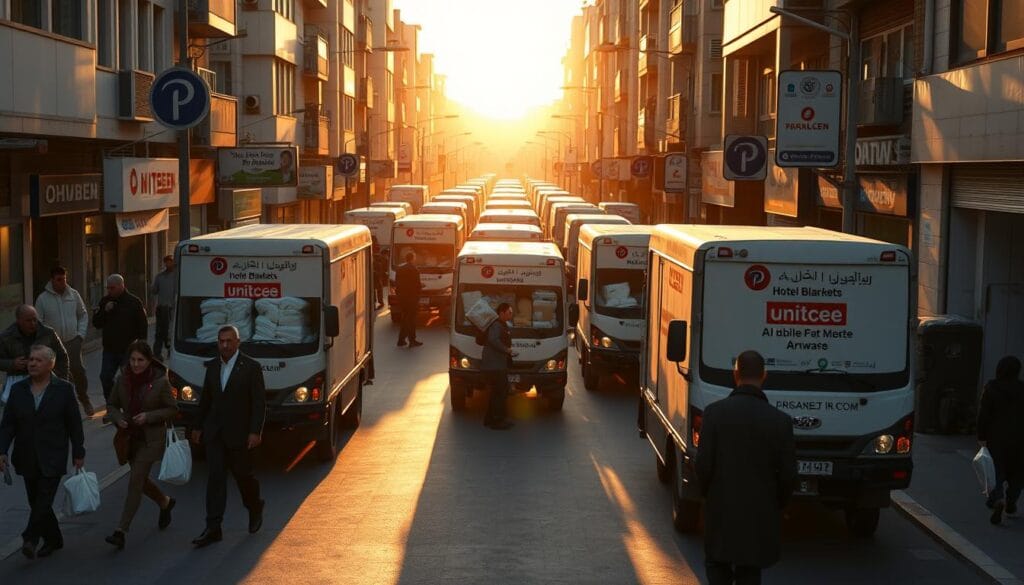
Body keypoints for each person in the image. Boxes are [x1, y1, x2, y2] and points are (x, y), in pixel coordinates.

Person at [696, 350, 797, 585]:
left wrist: (708, 496)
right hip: (759, 512)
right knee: (749, 571)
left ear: (735, 374)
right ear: (764, 376)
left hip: (721, 509)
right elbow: (789, 475)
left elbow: (703, 465)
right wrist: (777, 503)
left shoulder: (714, 414)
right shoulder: (780, 421)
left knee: (717, 564)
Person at [0, 345, 85, 560]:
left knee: (44, 499)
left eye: (38, 360)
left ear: (50, 364)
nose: (32, 363)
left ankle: (30, 538)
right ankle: (54, 539)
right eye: (31, 360)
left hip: (53, 454)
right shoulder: (19, 390)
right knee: (36, 500)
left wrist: (78, 450)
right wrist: (2, 451)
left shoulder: (64, 389)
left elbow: (74, 424)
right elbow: (8, 424)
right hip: (26, 454)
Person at [190, 325, 266, 548]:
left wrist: (255, 431)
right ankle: (213, 527)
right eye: (221, 341)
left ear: (238, 343)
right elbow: (206, 399)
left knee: (243, 476)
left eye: (229, 341)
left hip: (240, 434)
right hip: (215, 433)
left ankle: (254, 506)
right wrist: (197, 426)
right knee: (215, 479)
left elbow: (259, 403)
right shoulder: (213, 366)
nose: (225, 345)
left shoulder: (251, 368)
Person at [104, 340, 179, 549]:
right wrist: (117, 418)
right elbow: (111, 404)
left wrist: (149, 416)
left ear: (149, 361)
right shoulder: (123, 379)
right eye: (133, 360)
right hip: (129, 439)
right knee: (141, 480)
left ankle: (121, 530)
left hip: (151, 439)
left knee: (135, 480)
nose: (136, 364)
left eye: (140, 360)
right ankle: (165, 502)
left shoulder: (160, 381)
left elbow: (172, 409)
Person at [35, 266, 93, 416]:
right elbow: (38, 322)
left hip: (72, 341)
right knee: (59, 375)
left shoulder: (73, 295)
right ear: (52, 280)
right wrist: (44, 342)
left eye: (64, 279)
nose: (62, 282)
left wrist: (80, 335)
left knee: (78, 371)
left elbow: (83, 314)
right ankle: (64, 406)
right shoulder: (43, 299)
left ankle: (84, 399)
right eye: (59, 280)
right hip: (53, 345)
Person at [977, 355, 1024, 525]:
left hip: (996, 437)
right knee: (1017, 473)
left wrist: (981, 437)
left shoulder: (991, 388)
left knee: (996, 471)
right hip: (1020, 438)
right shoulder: (1022, 389)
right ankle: (1011, 502)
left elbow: (984, 415)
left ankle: (998, 499)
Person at [93, 274, 148, 410]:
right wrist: (105, 311)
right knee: (105, 377)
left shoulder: (134, 302)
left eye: (112, 288)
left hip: (128, 350)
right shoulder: (105, 301)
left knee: (128, 380)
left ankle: (129, 406)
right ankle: (112, 405)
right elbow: (96, 323)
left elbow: (143, 325)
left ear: (121, 286)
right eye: (108, 288)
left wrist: (141, 348)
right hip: (110, 349)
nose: (109, 291)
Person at [0, 305, 70, 399]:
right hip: (18, 380)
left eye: (34, 319)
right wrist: (12, 364)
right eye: (28, 321)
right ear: (19, 321)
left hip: (46, 378)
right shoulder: (6, 337)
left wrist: (62, 380)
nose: (33, 323)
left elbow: (62, 357)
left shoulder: (48, 333)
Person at [481, 303, 516, 430]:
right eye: (509, 313)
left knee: (496, 393)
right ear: (501, 313)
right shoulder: (496, 325)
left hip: (496, 364)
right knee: (500, 393)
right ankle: (497, 421)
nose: (511, 315)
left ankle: (489, 419)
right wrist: (507, 350)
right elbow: (493, 340)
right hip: (494, 365)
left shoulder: (500, 324)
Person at [150, 255, 177, 360]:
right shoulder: (160, 276)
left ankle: (171, 351)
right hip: (162, 308)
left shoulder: (177, 275)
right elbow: (154, 290)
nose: (168, 264)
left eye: (170, 262)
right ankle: (157, 353)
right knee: (160, 332)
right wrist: (152, 288)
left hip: (173, 308)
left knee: (171, 331)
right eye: (166, 262)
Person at [395, 251, 423, 348]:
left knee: (405, 318)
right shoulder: (414, 270)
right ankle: (412, 340)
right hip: (412, 298)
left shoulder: (400, 269)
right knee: (411, 320)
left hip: (402, 298)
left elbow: (397, 283)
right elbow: (417, 285)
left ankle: (401, 340)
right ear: (412, 258)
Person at [371, 237, 386, 310]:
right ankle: (380, 302)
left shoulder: (373, 246)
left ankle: (375, 302)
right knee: (378, 289)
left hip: (375, 273)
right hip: (378, 274)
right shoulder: (377, 246)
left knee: (374, 289)